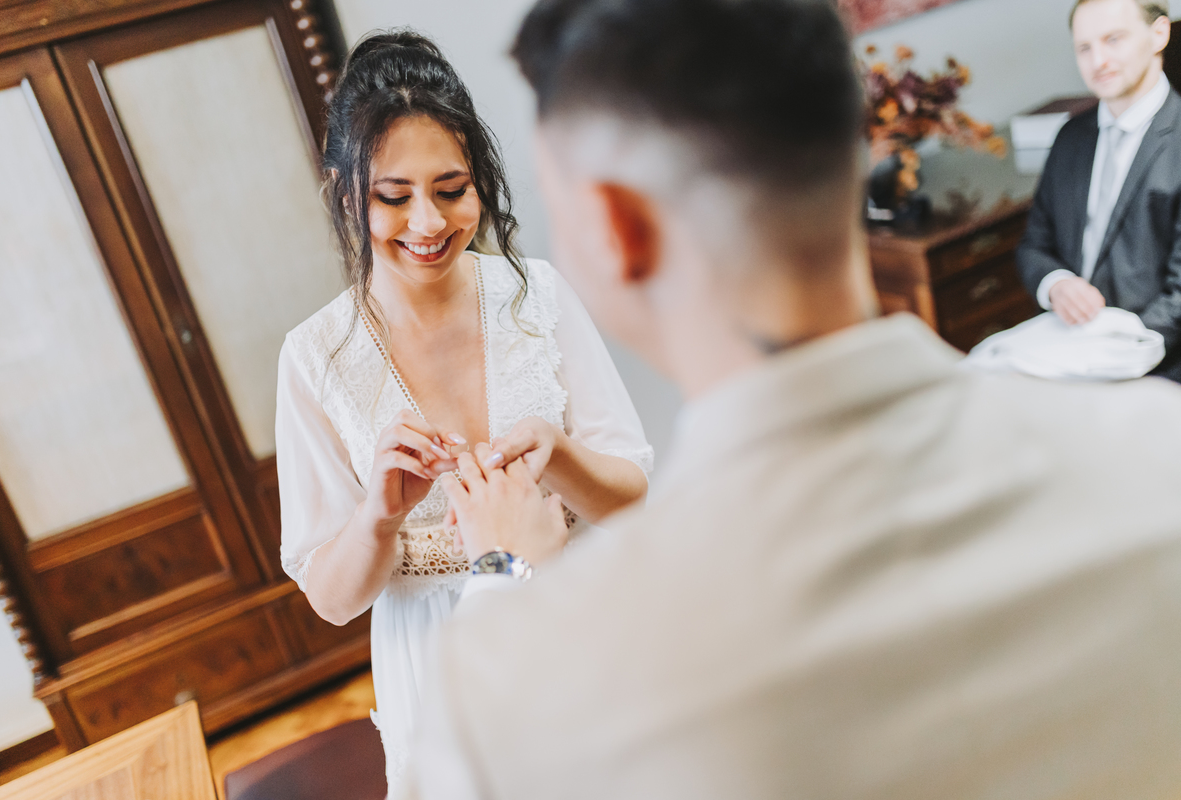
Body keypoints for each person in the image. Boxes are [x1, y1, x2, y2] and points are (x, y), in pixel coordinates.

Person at [405, 0, 1181, 797]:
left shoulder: (515, 680)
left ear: (613, 228)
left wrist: (498, 571)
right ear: (860, 148)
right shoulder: (1159, 450)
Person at [274, 30, 653, 792]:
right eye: (394, 196)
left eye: (452, 191)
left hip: (579, 612)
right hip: (435, 656)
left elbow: (630, 495)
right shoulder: (314, 359)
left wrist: (563, 455)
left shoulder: (535, 296)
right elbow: (332, 600)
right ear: (346, 192)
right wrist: (377, 516)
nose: (428, 224)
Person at [1017, 0, 1181, 382]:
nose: (1098, 60)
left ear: (1159, 34)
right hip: (1070, 346)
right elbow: (1033, 245)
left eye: (1113, 39)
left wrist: (1115, 353)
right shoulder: (1071, 136)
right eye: (1084, 48)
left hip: (1155, 359)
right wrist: (1055, 283)